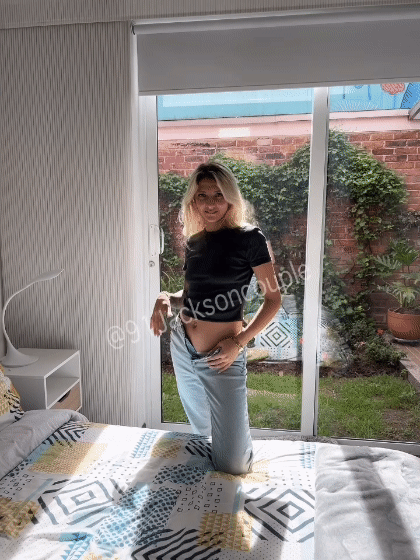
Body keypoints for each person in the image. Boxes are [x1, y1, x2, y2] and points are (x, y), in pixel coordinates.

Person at [150, 161, 281, 475]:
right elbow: (189, 297)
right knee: (203, 431)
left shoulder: (250, 238)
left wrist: (239, 343)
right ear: (193, 201)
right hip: (183, 346)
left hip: (223, 355)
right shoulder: (195, 242)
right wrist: (164, 298)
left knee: (234, 464)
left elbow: (273, 300)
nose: (210, 204)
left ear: (230, 198)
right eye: (202, 196)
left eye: (218, 195)